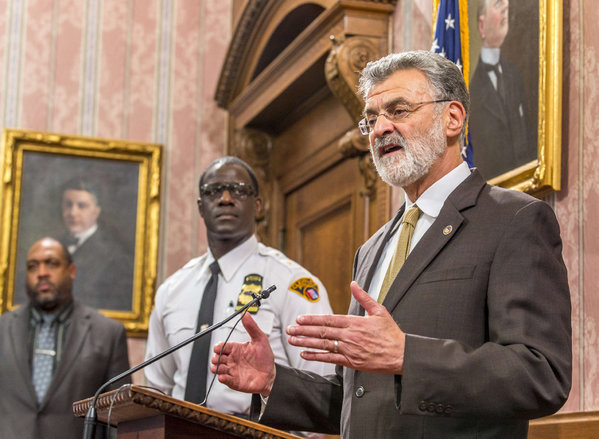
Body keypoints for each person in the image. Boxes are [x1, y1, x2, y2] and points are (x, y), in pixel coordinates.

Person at [211, 51, 572, 438]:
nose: (380, 128)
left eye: (399, 110)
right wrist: (273, 381)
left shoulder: (512, 220)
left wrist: (408, 356)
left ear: (453, 118)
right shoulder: (371, 250)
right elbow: (360, 398)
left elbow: (541, 374)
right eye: (371, 119)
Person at [144, 156, 335, 417]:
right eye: (213, 191)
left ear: (257, 206)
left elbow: (321, 389)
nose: (225, 198)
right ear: (201, 207)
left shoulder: (291, 282)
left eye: (239, 190)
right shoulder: (172, 290)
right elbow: (157, 388)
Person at [0, 237, 131, 439]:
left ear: (71, 271)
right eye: (32, 267)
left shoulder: (108, 333)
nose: (42, 273)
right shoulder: (3, 328)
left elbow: (119, 419)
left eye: (51, 263)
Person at [469, 0, 535, 179]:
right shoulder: (471, 89)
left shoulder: (514, 75)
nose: (506, 9)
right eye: (498, 5)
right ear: (482, 25)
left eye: (507, 6)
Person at [60, 177, 134, 310]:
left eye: (81, 206)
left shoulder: (114, 256)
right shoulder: (55, 245)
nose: (73, 212)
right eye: (68, 204)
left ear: (96, 211)